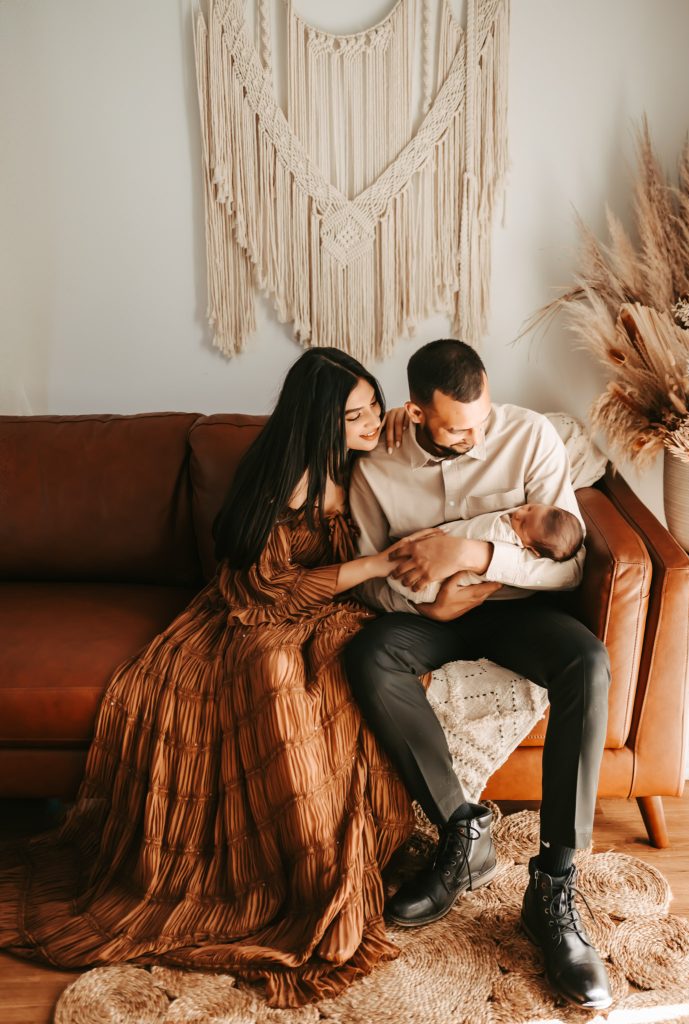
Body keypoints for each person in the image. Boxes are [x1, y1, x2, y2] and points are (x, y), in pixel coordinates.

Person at [0, 348, 419, 1008]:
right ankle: (300, 875)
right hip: (255, 612)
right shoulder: (286, 479)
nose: (371, 422)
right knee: (275, 675)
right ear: (317, 424)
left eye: (374, 407)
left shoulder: (366, 454)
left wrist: (400, 427)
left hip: (334, 614)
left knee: (346, 681)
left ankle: (340, 859)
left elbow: (430, 454)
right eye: (355, 415)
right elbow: (264, 593)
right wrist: (370, 569)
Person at [346, 339, 613, 1012]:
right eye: (461, 429)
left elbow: (570, 562)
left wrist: (474, 554)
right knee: (369, 655)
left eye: (483, 417)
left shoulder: (529, 437)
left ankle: (553, 884)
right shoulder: (375, 468)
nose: (479, 434)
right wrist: (429, 596)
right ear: (416, 413)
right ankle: (463, 831)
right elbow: (370, 586)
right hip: (429, 618)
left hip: (514, 612)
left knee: (588, 661)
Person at [387, 502, 584, 605]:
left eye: (523, 524)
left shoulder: (502, 534)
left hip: (428, 588)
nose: (518, 513)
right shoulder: (535, 521)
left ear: (531, 549)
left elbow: (571, 572)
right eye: (529, 508)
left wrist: (471, 553)